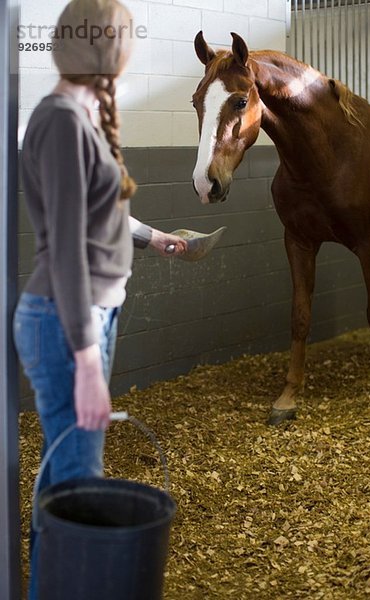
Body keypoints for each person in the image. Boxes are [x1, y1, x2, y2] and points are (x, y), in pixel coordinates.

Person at [13, 1, 187, 598]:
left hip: (86, 317)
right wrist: (88, 366)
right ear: (105, 48)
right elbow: (64, 248)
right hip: (67, 320)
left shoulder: (81, 118)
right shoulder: (62, 121)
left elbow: (101, 212)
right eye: (126, 38)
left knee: (69, 482)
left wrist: (150, 236)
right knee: (78, 488)